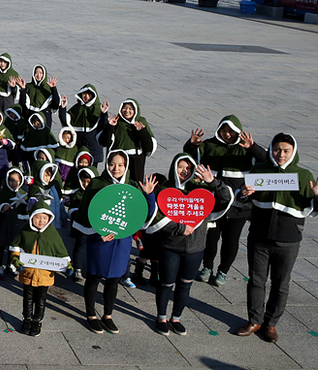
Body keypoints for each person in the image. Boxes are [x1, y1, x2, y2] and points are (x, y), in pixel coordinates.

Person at [236, 133, 318, 343]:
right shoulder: (260, 170)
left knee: (281, 284)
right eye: (277, 149)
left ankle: (270, 324)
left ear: (293, 152)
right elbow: (243, 199)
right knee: (256, 280)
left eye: (286, 151)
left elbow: (313, 208)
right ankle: (254, 320)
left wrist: (317, 197)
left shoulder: (303, 175)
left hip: (288, 239)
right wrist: (244, 193)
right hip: (260, 235)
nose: (280, 155)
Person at [73, 150, 157, 335]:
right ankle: (90, 315)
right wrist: (97, 232)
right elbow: (87, 212)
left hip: (121, 241)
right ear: (107, 165)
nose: (116, 168)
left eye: (120, 165)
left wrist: (149, 195)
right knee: (94, 277)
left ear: (126, 166)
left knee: (113, 279)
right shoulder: (96, 184)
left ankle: (108, 315)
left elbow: (145, 214)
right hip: (101, 240)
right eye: (112, 164)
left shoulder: (132, 186)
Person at [146, 154, 230, 336]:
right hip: (170, 246)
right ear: (174, 167)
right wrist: (179, 228)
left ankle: (176, 318)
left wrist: (213, 182)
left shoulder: (203, 190)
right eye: (180, 167)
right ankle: (161, 317)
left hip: (195, 247)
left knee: (185, 284)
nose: (185, 171)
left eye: (188, 168)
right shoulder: (164, 189)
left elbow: (225, 199)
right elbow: (155, 217)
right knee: (166, 283)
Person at [184, 115, 266, 287]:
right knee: (211, 237)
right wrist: (191, 145)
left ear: (238, 132)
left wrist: (253, 148)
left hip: (239, 205)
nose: (228, 134)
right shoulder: (209, 145)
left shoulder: (245, 149)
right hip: (214, 203)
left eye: (231, 131)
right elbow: (189, 159)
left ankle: (223, 271)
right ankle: (207, 267)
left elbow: (267, 161)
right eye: (224, 131)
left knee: (231, 239)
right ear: (219, 130)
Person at [10, 200, 71, 336]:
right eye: (38, 217)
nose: (41, 221)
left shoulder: (52, 233)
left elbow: (61, 251)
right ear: (32, 217)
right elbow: (16, 248)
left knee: (41, 299)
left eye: (45, 217)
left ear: (49, 218)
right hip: (28, 273)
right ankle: (27, 319)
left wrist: (67, 265)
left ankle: (37, 321)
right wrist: (15, 259)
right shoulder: (25, 230)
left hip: (45, 275)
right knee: (27, 297)